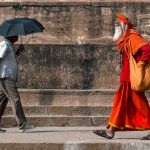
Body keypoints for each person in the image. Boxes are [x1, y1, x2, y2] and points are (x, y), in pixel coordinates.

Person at [93, 14, 150, 139]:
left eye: (118, 23)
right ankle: (111, 130)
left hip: (131, 78)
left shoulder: (132, 36)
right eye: (115, 23)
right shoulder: (124, 38)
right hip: (127, 78)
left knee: (122, 103)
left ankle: (111, 131)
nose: (115, 25)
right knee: (136, 104)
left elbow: (147, 49)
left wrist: (141, 63)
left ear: (124, 24)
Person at [0, 35, 36, 132]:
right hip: (6, 77)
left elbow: (8, 60)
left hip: (7, 77)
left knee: (2, 102)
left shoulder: (10, 45)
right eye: (15, 35)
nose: (17, 37)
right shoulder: (5, 44)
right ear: (10, 36)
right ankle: (22, 123)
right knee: (15, 99)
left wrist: (18, 52)